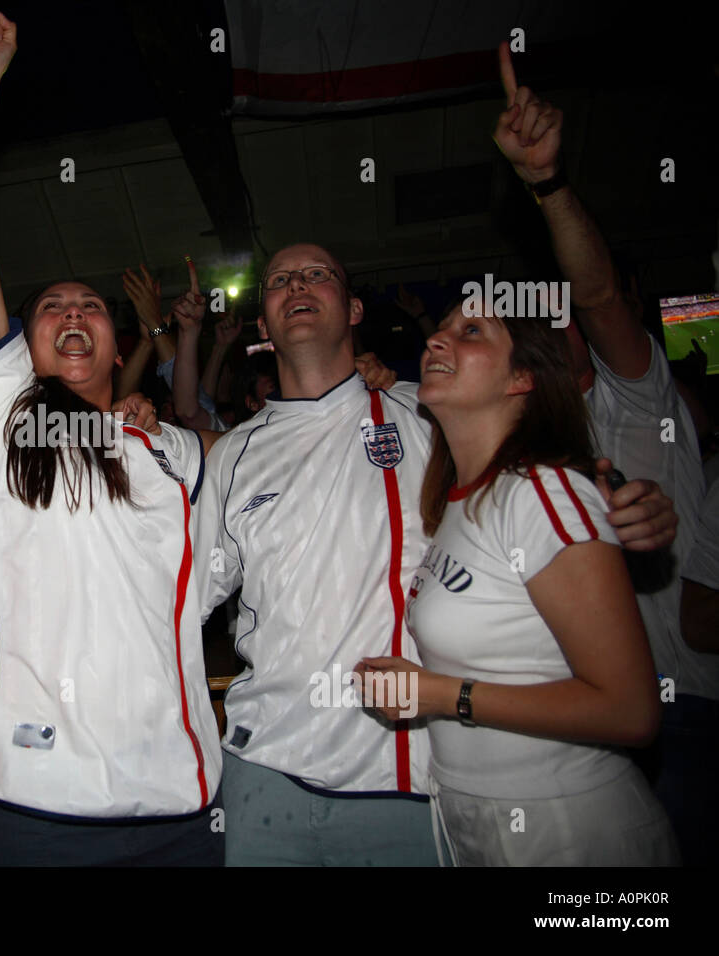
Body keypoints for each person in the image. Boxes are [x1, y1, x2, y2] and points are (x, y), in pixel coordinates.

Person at [195, 242, 679, 866]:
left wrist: (619, 496)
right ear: (261, 325)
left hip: (408, 782)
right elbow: (185, 600)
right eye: (280, 280)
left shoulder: (428, 414)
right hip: (264, 772)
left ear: (354, 309)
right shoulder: (232, 456)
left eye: (319, 275)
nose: (298, 285)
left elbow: (534, 464)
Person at [0, 13, 223, 866]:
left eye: (89, 305)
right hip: (30, 807)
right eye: (50, 307)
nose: (70, 313)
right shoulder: (0, 421)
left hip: (180, 806)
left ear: (113, 335)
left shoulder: (176, 456)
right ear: (17, 346)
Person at [492, 43, 715, 864]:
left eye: (561, 310)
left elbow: (598, 292)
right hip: (580, 729)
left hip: (683, 711)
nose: (552, 323)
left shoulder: (633, 394)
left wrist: (547, 186)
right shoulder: (528, 443)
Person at [356, 302, 680, 865]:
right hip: (475, 817)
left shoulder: (541, 492)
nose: (437, 339)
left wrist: (440, 694)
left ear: (523, 378)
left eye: (472, 332)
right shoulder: (457, 505)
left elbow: (631, 711)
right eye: (443, 327)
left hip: (571, 828)